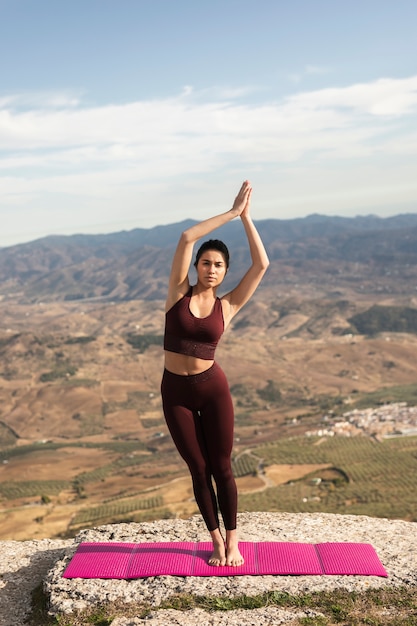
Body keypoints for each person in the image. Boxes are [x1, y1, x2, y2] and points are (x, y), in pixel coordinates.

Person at [161, 180, 269, 567]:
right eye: (205, 263)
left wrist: (247, 219)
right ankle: (215, 539)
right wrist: (231, 211)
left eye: (218, 265)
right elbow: (187, 235)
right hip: (175, 392)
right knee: (198, 467)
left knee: (222, 466)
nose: (211, 269)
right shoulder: (178, 294)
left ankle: (235, 541)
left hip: (213, 389)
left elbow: (262, 265)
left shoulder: (230, 304)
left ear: (225, 272)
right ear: (196, 267)